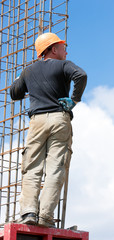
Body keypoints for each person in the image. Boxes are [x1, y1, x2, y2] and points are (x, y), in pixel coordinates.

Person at [10, 32, 87, 227]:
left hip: (36, 122)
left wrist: (25, 74)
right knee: (55, 168)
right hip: (59, 119)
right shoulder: (63, 65)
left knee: (31, 168)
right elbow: (81, 75)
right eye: (62, 47)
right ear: (53, 49)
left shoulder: (29, 71)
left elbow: (14, 93)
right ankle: (45, 216)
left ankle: (28, 212)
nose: (66, 50)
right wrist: (75, 99)